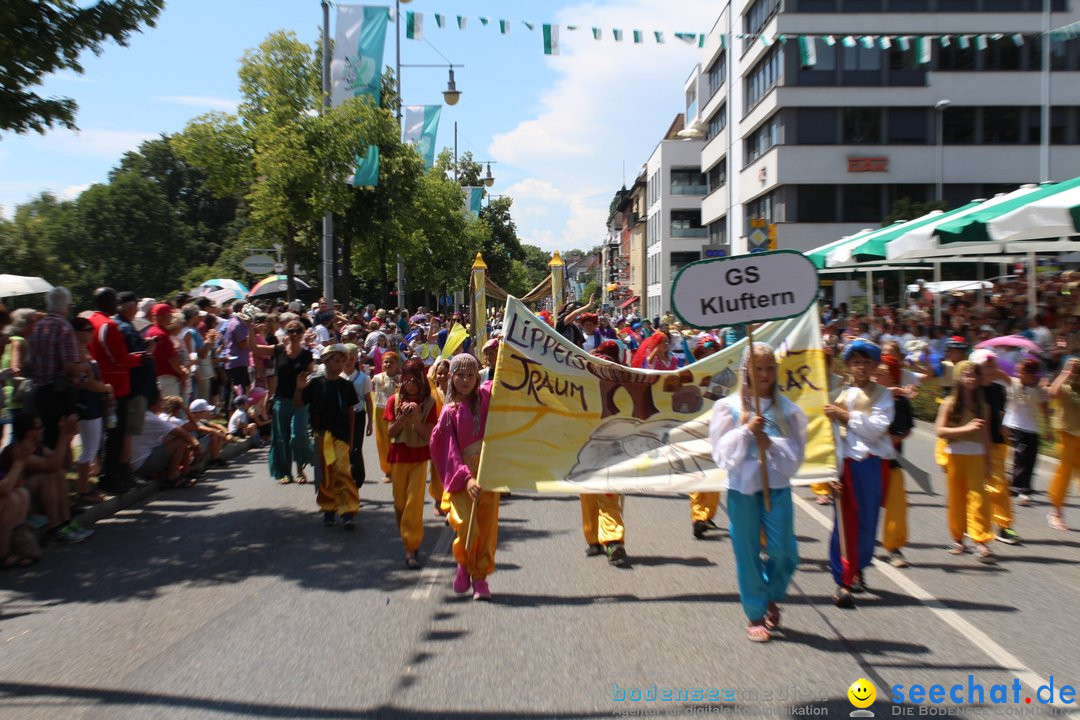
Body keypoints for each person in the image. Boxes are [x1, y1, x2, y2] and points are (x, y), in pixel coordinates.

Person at [710, 342, 806, 642]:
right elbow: (721, 454)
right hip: (742, 489)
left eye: (769, 368)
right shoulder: (729, 407)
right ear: (747, 371)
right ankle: (755, 612)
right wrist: (746, 431)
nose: (764, 374)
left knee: (783, 550)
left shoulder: (788, 410)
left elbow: (796, 456)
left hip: (776, 487)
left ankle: (772, 593)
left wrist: (770, 443)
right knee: (747, 552)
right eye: (758, 368)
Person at [824, 339, 895, 608]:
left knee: (867, 521)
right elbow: (827, 436)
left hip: (870, 463)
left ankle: (859, 566)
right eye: (856, 363)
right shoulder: (837, 394)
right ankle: (843, 579)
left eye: (866, 363)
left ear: (875, 366)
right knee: (843, 523)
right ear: (849, 365)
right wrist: (830, 471)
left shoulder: (883, 395)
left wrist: (844, 416)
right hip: (844, 465)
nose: (861, 368)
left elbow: (876, 428)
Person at [430, 353, 498, 599]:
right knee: (468, 526)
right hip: (463, 480)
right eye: (460, 374)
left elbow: (506, 377)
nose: (466, 380)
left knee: (487, 529)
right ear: (451, 377)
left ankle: (479, 578)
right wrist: (467, 478)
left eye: (471, 374)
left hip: (489, 473)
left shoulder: (487, 398)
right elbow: (448, 450)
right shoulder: (449, 412)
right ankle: (463, 563)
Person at [935, 361, 995, 563]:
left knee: (979, 499)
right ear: (958, 377)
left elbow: (986, 436)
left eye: (975, 375)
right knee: (956, 499)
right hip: (954, 456)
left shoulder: (983, 406)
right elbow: (940, 431)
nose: (972, 379)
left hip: (976, 456)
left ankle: (981, 541)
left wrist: (989, 462)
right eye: (967, 374)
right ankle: (958, 538)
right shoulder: (949, 403)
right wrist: (966, 429)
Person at [0, 413, 92, 543]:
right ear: (28, 432)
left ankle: (66, 522)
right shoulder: (17, 451)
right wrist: (63, 436)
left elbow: (65, 465)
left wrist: (68, 439)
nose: (43, 429)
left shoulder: (37, 446)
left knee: (59, 474)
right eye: (39, 427)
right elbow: (52, 465)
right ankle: (55, 528)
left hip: (35, 498)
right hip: (22, 503)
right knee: (49, 476)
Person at [579, 340, 629, 566]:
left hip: (612, 453)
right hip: (585, 452)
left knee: (608, 495)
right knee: (588, 495)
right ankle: (594, 539)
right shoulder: (581, 392)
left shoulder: (624, 392)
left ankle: (612, 540)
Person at [385, 357, 438, 569]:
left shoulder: (430, 403)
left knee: (413, 504)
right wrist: (403, 417)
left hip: (418, 458)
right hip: (398, 456)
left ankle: (411, 546)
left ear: (422, 380)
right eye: (407, 380)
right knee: (399, 503)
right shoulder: (393, 400)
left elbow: (428, 435)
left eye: (414, 380)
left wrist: (416, 417)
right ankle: (408, 536)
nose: (410, 384)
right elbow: (390, 431)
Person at [303, 344, 361, 530]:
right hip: (321, 435)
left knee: (343, 471)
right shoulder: (316, 384)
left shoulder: (346, 386)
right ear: (326, 361)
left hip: (341, 436)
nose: (340, 365)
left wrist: (351, 438)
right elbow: (299, 402)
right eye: (336, 361)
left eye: (342, 361)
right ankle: (329, 509)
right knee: (326, 474)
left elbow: (351, 412)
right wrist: (298, 388)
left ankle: (347, 511)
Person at [971, 350, 1021, 545]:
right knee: (982, 486)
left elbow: (1015, 398)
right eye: (986, 366)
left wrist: (1004, 425)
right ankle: (981, 524)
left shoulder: (998, 389)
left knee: (999, 485)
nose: (990, 370)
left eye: (992, 365)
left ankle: (1002, 525)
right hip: (975, 444)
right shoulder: (971, 391)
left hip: (997, 442)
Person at [257, 320, 314, 485]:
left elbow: (311, 375)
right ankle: (285, 472)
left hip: (300, 400)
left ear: (302, 334)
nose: (294, 334)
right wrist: (251, 331)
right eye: (291, 331)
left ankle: (300, 470)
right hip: (281, 400)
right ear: (286, 334)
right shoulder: (279, 350)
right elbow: (254, 349)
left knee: (298, 436)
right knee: (282, 438)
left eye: (297, 331)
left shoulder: (307, 355)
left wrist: (306, 383)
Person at [28, 286, 82, 450]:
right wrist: (84, 368)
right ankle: (57, 472)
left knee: (47, 437)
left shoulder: (38, 327)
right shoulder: (64, 328)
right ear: (66, 306)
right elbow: (70, 367)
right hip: (60, 392)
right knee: (63, 439)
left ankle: (50, 470)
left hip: (41, 390)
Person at [875, 355, 914, 568]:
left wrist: (882, 437)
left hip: (892, 463)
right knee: (863, 507)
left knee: (896, 508)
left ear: (892, 376)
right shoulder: (865, 397)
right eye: (876, 374)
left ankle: (894, 548)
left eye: (881, 374)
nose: (876, 378)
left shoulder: (901, 403)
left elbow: (904, 431)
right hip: (866, 462)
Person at [71, 316, 112, 505]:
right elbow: (84, 383)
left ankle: (85, 487)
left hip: (92, 403)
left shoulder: (83, 351)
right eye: (88, 330)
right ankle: (82, 490)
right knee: (89, 449)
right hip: (87, 404)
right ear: (77, 332)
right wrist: (105, 388)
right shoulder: (77, 353)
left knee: (90, 448)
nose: (91, 333)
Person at [1003, 358, 1047, 506]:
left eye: (1022, 372)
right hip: (1015, 426)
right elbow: (1000, 375)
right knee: (1021, 456)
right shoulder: (1013, 383)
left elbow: (1045, 409)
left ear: (1032, 374)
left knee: (1031, 460)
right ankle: (1023, 490)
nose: (1019, 374)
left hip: (1032, 428)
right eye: (1018, 371)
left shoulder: (1039, 390)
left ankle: (1014, 487)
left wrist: (1048, 428)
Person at [1047, 358, 1080, 531]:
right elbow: (1052, 393)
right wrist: (1066, 373)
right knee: (1064, 475)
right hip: (1066, 434)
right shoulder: (1065, 387)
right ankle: (1056, 513)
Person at [342, 344, 374, 490]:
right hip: (341, 416)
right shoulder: (339, 377)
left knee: (355, 448)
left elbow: (368, 400)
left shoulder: (363, 378)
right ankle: (345, 478)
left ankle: (357, 479)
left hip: (358, 414)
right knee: (342, 448)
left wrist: (370, 422)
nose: (349, 361)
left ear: (356, 359)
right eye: (346, 358)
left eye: (352, 358)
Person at [372, 349, 401, 484]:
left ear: (397, 364)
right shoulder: (377, 378)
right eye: (386, 362)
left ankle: (400, 468)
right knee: (383, 442)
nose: (388, 364)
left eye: (391, 362)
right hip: (380, 412)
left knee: (398, 442)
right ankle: (388, 471)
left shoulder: (401, 379)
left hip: (397, 413)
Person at [147, 304, 186, 399]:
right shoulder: (161, 334)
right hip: (167, 380)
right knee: (170, 410)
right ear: (161, 317)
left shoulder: (151, 330)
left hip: (158, 378)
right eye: (169, 314)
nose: (171, 317)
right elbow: (172, 361)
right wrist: (183, 372)